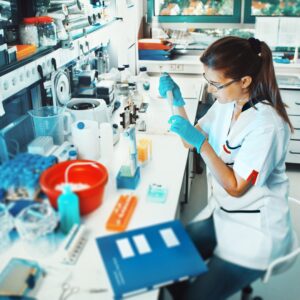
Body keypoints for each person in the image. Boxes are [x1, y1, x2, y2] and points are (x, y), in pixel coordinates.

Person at [158, 36, 295, 300]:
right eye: (207, 81)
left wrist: (204, 145)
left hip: (254, 233)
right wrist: (175, 100)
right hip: (223, 215)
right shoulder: (227, 104)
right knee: (164, 263)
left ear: (244, 81)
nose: (210, 90)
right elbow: (190, 140)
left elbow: (235, 187)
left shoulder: (268, 126)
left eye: (216, 84)